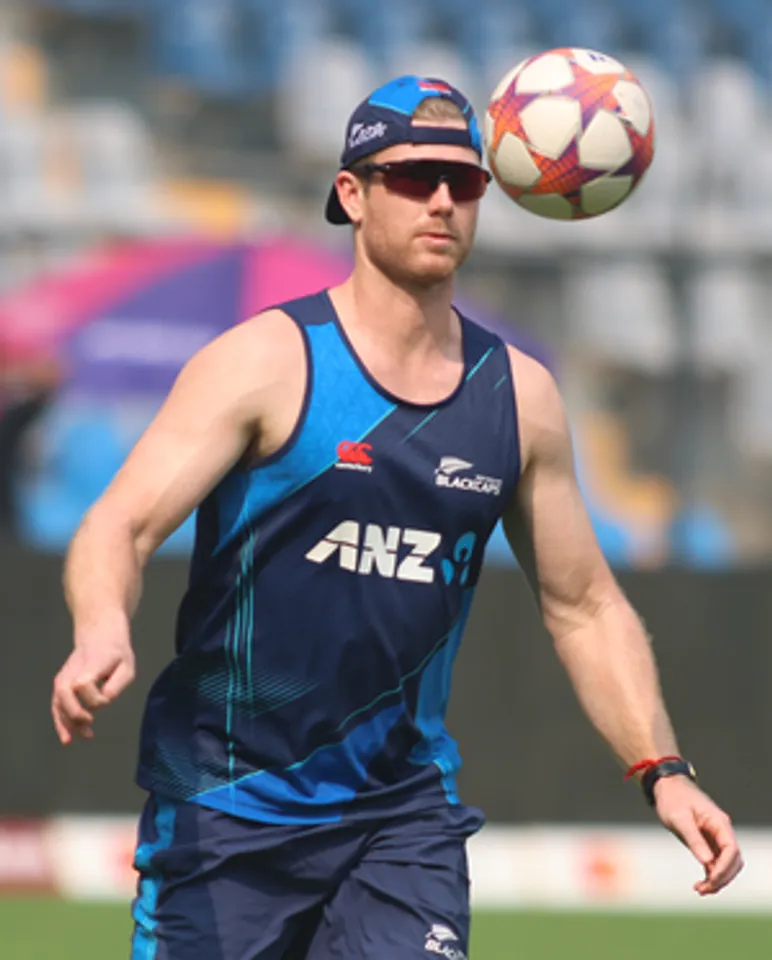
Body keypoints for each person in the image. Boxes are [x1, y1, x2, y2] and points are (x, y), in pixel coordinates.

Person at [51, 76, 743, 959]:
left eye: (465, 181)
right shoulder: (266, 362)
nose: (443, 200)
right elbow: (120, 525)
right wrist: (101, 626)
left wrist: (664, 773)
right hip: (226, 811)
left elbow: (586, 605)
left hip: (401, 822)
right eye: (413, 177)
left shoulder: (519, 398)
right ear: (352, 193)